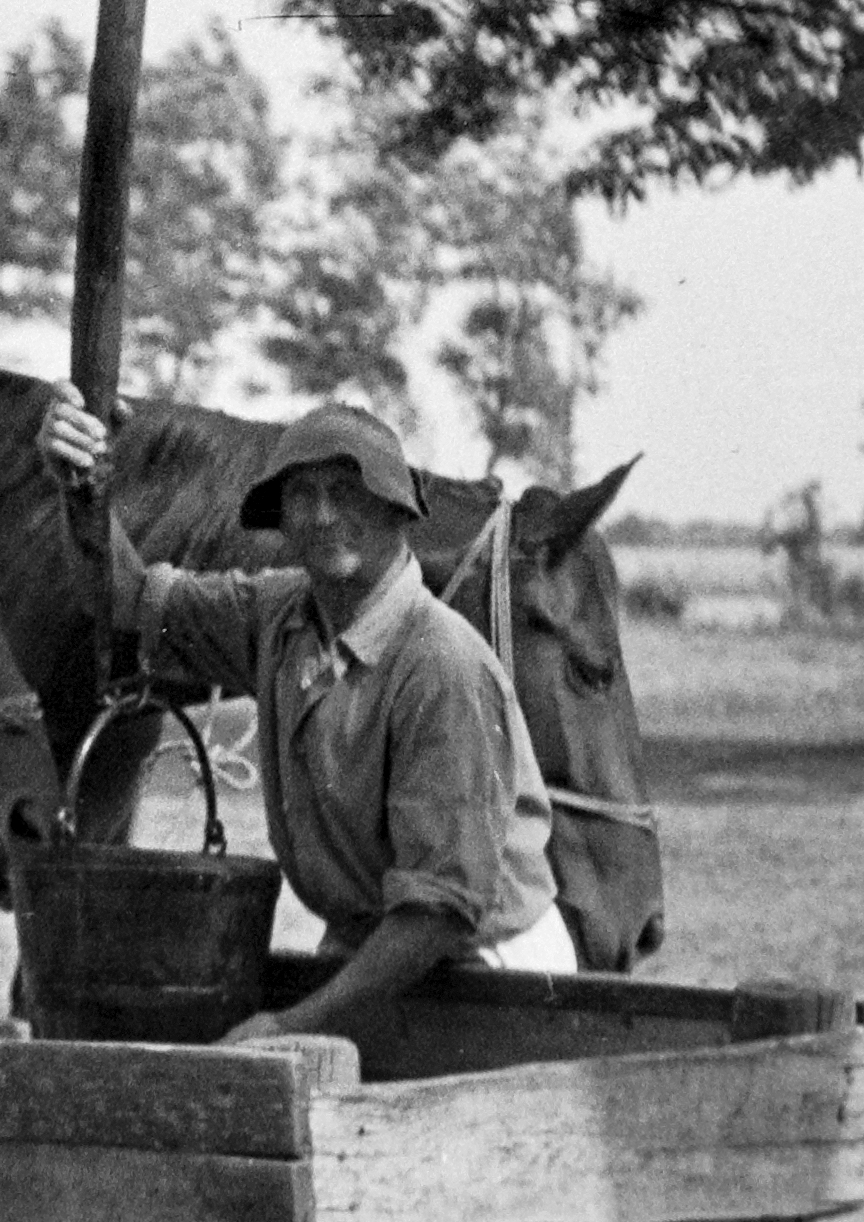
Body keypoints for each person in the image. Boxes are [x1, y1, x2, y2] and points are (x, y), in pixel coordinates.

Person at [37, 384, 576, 1046]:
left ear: (393, 511)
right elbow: (126, 598)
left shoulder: (439, 662)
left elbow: (440, 908)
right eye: (301, 494)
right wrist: (82, 491)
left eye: (345, 493)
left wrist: (293, 1024)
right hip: (370, 952)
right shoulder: (281, 614)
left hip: (485, 969)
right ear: (280, 519)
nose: (321, 515)